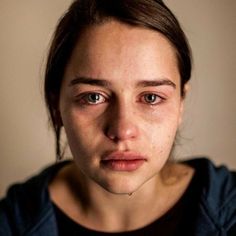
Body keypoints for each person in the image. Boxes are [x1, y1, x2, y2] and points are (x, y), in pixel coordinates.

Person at [0, 0, 236, 235]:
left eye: (151, 97)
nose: (123, 130)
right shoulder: (11, 223)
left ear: (181, 103)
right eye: (93, 97)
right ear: (56, 106)